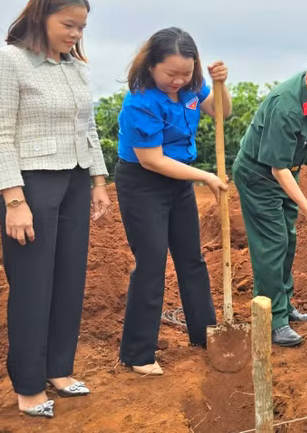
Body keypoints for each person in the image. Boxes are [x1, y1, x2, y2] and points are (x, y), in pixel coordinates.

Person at [0, 0, 111, 418]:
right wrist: (14, 200)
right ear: (41, 16)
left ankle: (59, 368)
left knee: (70, 279)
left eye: (81, 27)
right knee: (32, 286)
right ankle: (29, 384)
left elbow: (87, 128)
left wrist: (98, 181)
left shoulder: (75, 68)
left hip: (74, 182)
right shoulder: (8, 61)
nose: (75, 34)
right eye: (68, 24)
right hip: (31, 185)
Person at [115, 27, 230, 376]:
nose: (179, 81)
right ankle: (138, 353)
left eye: (186, 73)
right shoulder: (140, 101)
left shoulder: (194, 88)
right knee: (151, 263)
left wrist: (223, 84)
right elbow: (152, 160)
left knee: (191, 259)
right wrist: (206, 177)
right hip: (143, 183)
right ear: (151, 66)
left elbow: (221, 112)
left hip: (178, 180)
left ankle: (205, 334)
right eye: (171, 74)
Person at [233, 50, 307, 347]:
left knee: (288, 238)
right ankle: (274, 321)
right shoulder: (286, 106)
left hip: (288, 171)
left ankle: (284, 303)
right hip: (259, 176)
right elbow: (277, 168)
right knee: (272, 244)